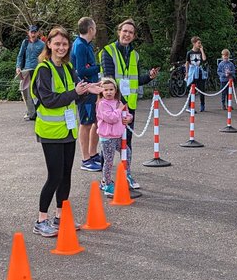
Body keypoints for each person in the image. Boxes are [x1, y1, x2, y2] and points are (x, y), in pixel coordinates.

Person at [31, 26, 93, 236]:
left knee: (66, 175)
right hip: (50, 132)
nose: (61, 47)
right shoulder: (43, 70)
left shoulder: (68, 68)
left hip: (68, 131)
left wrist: (88, 91)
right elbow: (49, 101)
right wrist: (75, 92)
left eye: (64, 44)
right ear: (48, 44)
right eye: (57, 43)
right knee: (54, 176)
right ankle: (41, 220)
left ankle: (60, 216)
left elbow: (77, 96)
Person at [100, 19, 158, 191]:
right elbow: (108, 80)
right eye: (125, 31)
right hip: (112, 107)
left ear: (134, 36)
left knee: (127, 142)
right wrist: (121, 105)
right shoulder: (107, 51)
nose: (127, 35)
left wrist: (149, 76)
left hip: (128, 107)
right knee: (109, 144)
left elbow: (135, 80)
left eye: (131, 33)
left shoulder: (135, 55)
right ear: (119, 31)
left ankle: (127, 173)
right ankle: (106, 180)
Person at [72, 17, 101, 172]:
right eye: (95, 28)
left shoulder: (87, 45)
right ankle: (85, 159)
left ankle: (93, 153)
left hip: (93, 89)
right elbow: (81, 70)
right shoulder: (80, 46)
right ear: (90, 29)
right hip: (85, 90)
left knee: (95, 121)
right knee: (86, 123)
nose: (95, 31)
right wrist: (98, 68)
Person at [96, 76, 132, 197]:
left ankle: (127, 175)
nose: (108, 92)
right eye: (106, 90)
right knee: (109, 161)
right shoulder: (101, 104)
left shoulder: (118, 102)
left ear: (115, 90)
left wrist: (128, 118)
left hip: (118, 136)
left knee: (127, 152)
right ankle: (107, 183)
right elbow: (111, 118)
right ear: (102, 91)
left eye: (111, 89)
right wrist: (119, 110)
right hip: (107, 137)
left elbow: (126, 114)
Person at [16, 25, 46, 121]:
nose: (33, 34)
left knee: (37, 92)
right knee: (25, 91)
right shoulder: (25, 43)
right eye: (31, 32)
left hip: (38, 71)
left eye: (35, 32)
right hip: (26, 71)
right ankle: (31, 111)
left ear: (37, 33)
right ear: (28, 33)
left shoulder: (42, 44)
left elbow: (46, 58)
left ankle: (38, 112)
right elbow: (20, 56)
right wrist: (18, 67)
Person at [185, 37, 208, 112]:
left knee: (202, 89)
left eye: (200, 43)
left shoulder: (200, 52)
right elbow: (187, 63)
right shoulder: (189, 53)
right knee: (192, 90)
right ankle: (190, 106)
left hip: (200, 72)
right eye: (198, 43)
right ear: (194, 43)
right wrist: (187, 73)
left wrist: (202, 50)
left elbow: (204, 59)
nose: (200, 44)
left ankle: (202, 104)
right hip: (193, 73)